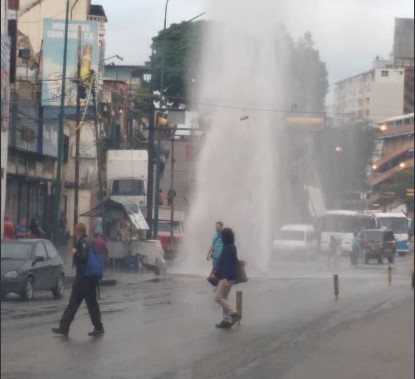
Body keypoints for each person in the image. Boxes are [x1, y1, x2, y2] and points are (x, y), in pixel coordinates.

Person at [52, 223, 104, 337]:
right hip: (83, 279)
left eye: (74, 230)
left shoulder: (83, 242)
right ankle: (64, 327)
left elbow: (83, 258)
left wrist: (75, 253)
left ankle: (98, 327)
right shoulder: (89, 241)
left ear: (77, 231)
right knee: (73, 303)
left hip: (86, 279)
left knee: (91, 303)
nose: (73, 233)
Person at [214, 227, 241, 329]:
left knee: (218, 297)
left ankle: (234, 313)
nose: (221, 238)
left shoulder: (229, 248)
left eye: (222, 236)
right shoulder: (230, 246)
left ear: (225, 237)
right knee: (224, 297)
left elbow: (228, 264)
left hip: (226, 277)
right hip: (228, 276)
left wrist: (224, 278)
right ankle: (226, 320)